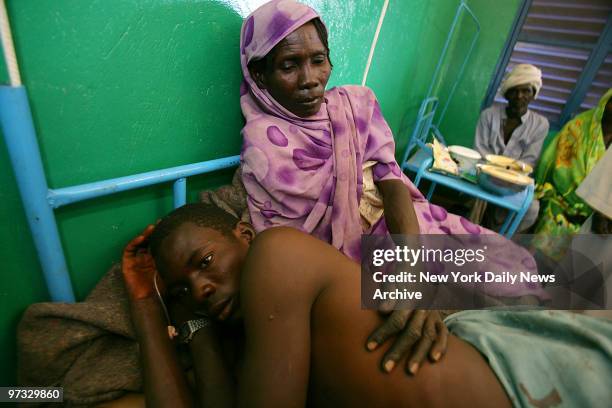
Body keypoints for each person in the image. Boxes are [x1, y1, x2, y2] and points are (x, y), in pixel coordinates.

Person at [237, 0, 547, 368]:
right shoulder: (263, 147)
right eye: (289, 65)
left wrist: (409, 264)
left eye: (318, 60)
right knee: (468, 322)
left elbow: (391, 179)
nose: (309, 79)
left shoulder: (356, 104)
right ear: (260, 76)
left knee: (514, 269)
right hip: (351, 261)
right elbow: (292, 249)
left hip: (403, 225)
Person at [121, 203, 612, 407]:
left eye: (205, 260)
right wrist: (155, 306)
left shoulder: (277, 254)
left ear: (244, 235)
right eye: (184, 289)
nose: (201, 287)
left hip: (523, 383)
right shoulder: (253, 341)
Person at [532, 88, 612, 259]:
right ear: (606, 102)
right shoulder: (579, 127)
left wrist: (603, 210)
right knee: (539, 264)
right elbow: (561, 171)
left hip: (597, 217)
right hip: (562, 204)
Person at [471, 64, 549, 230]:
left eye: (526, 91)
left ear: (533, 94)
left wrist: (506, 177)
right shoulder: (488, 115)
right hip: (485, 174)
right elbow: (479, 150)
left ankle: (501, 237)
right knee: (477, 200)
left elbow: (529, 161)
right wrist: (493, 174)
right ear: (507, 93)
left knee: (532, 209)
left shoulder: (540, 124)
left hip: (515, 180)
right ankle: (473, 229)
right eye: (514, 90)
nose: (519, 96)